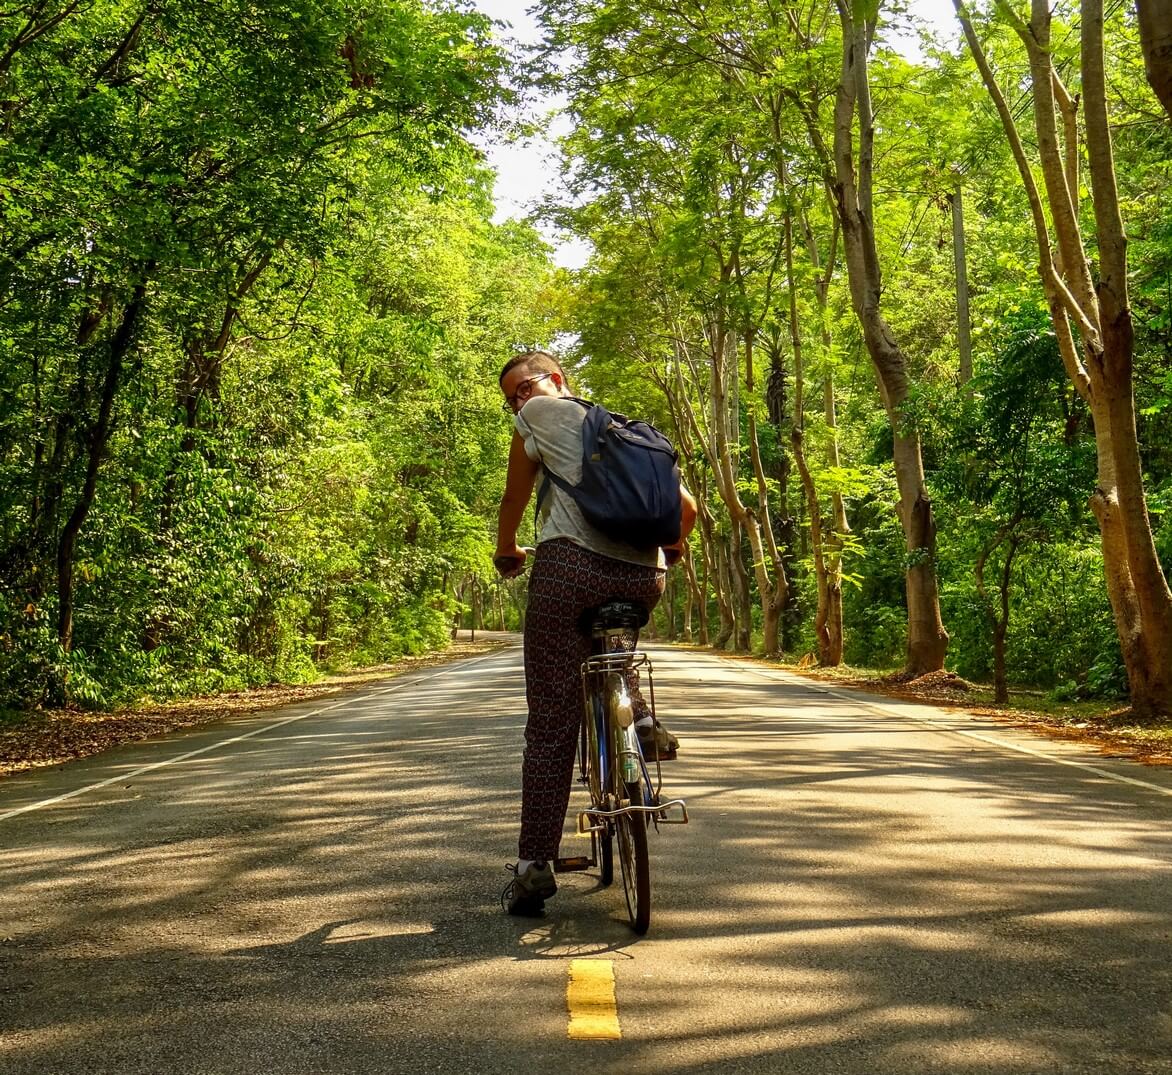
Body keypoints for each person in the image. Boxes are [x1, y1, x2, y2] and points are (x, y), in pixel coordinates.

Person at [493, 349, 698, 916]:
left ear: (555, 380)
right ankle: (643, 719)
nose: (519, 400)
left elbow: (514, 496)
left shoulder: (541, 415)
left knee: (553, 720)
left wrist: (507, 546)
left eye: (525, 386)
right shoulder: (628, 433)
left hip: (568, 570)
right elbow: (688, 507)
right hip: (645, 575)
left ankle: (535, 865)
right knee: (613, 648)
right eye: (511, 397)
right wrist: (672, 548)